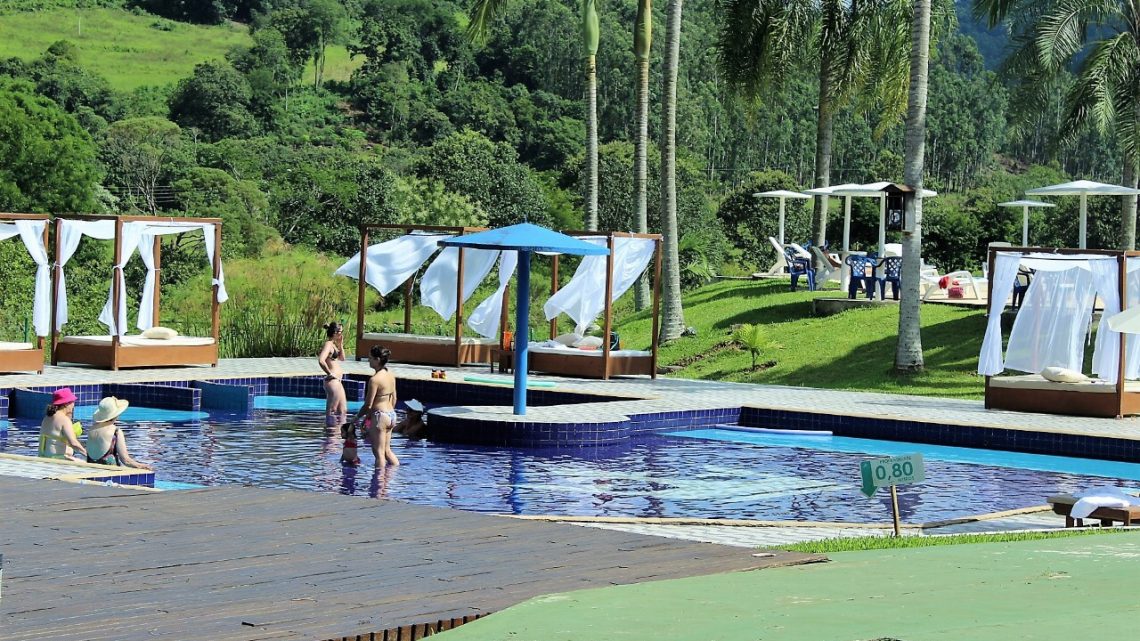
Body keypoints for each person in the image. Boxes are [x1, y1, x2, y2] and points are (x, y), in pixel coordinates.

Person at [349, 345, 400, 466]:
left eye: (370, 358)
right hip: (391, 415)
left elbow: (368, 405)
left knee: (379, 454)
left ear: (377, 360)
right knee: (387, 451)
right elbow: (394, 398)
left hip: (380, 417)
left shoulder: (374, 380)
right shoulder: (390, 375)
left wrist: (357, 418)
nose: (368, 360)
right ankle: (394, 476)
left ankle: (378, 484)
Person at [85, 396, 153, 470]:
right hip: (109, 475)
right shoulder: (116, 431)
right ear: (116, 415)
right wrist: (142, 466)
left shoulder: (91, 429)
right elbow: (126, 460)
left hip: (91, 471)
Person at [39, 387, 86, 461]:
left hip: (42, 457)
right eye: (73, 402)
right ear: (66, 404)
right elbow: (73, 443)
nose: (73, 405)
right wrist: (88, 455)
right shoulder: (64, 420)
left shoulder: (47, 417)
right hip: (56, 459)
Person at [318, 321, 347, 421]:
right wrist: (329, 373)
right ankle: (330, 435)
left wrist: (340, 345)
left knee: (343, 411)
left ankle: (338, 435)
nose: (342, 334)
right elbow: (321, 360)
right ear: (335, 332)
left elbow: (342, 358)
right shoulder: (328, 345)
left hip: (338, 381)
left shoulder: (334, 345)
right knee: (332, 411)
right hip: (333, 381)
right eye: (341, 332)